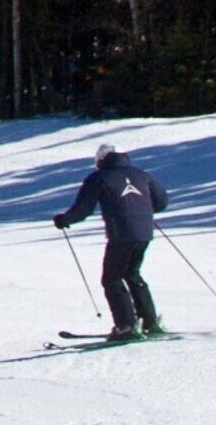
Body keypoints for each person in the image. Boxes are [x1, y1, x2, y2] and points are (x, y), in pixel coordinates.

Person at [54, 143, 168, 342]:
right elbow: (161, 202)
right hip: (144, 233)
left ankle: (126, 326)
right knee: (132, 273)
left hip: (121, 234)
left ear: (100, 160)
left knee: (111, 278)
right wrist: (140, 210)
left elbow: (83, 209)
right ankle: (149, 321)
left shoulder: (98, 178)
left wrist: (64, 220)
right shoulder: (141, 174)